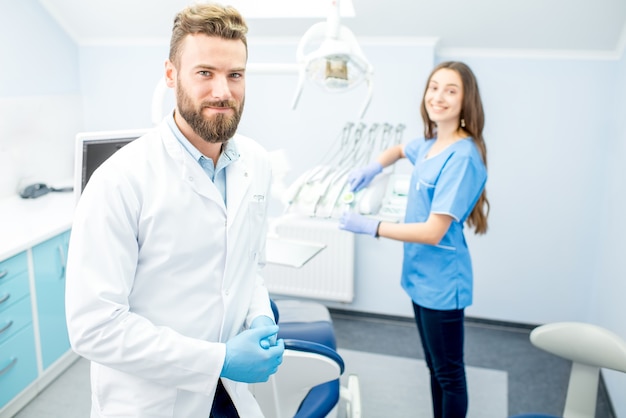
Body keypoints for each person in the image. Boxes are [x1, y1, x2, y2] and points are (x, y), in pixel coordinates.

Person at [65, 4, 284, 417]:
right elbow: (94, 326)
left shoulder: (257, 163)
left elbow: (250, 265)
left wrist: (257, 317)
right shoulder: (119, 181)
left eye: (234, 75)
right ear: (171, 75)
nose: (223, 91)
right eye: (205, 73)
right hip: (152, 401)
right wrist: (216, 359)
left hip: (231, 394)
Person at [339, 61, 489, 418]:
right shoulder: (433, 143)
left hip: (442, 283)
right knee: (435, 368)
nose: (438, 96)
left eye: (450, 90)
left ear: (466, 100)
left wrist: (372, 226)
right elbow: (398, 150)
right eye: (433, 87)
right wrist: (374, 166)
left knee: (449, 374)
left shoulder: (463, 156)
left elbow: (432, 231)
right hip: (421, 277)